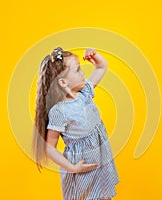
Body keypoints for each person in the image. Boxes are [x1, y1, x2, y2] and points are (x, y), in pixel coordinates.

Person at [32, 47, 119, 200]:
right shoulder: (59, 111)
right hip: (82, 166)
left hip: (100, 159)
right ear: (63, 82)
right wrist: (72, 168)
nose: (83, 73)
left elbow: (101, 67)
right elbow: (49, 148)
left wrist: (95, 55)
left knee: (104, 196)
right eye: (78, 70)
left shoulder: (84, 92)